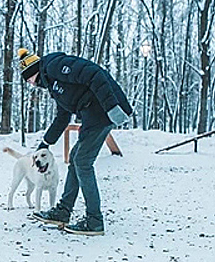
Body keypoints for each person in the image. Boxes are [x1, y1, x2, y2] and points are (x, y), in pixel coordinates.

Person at [17, 48, 132, 236]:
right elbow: (63, 117)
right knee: (75, 157)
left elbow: (93, 73)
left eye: (28, 79)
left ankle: (94, 220)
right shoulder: (53, 84)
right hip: (92, 115)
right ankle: (63, 211)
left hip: (103, 111)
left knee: (82, 162)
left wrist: (112, 106)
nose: (30, 84)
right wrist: (45, 143)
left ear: (33, 72)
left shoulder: (54, 66)